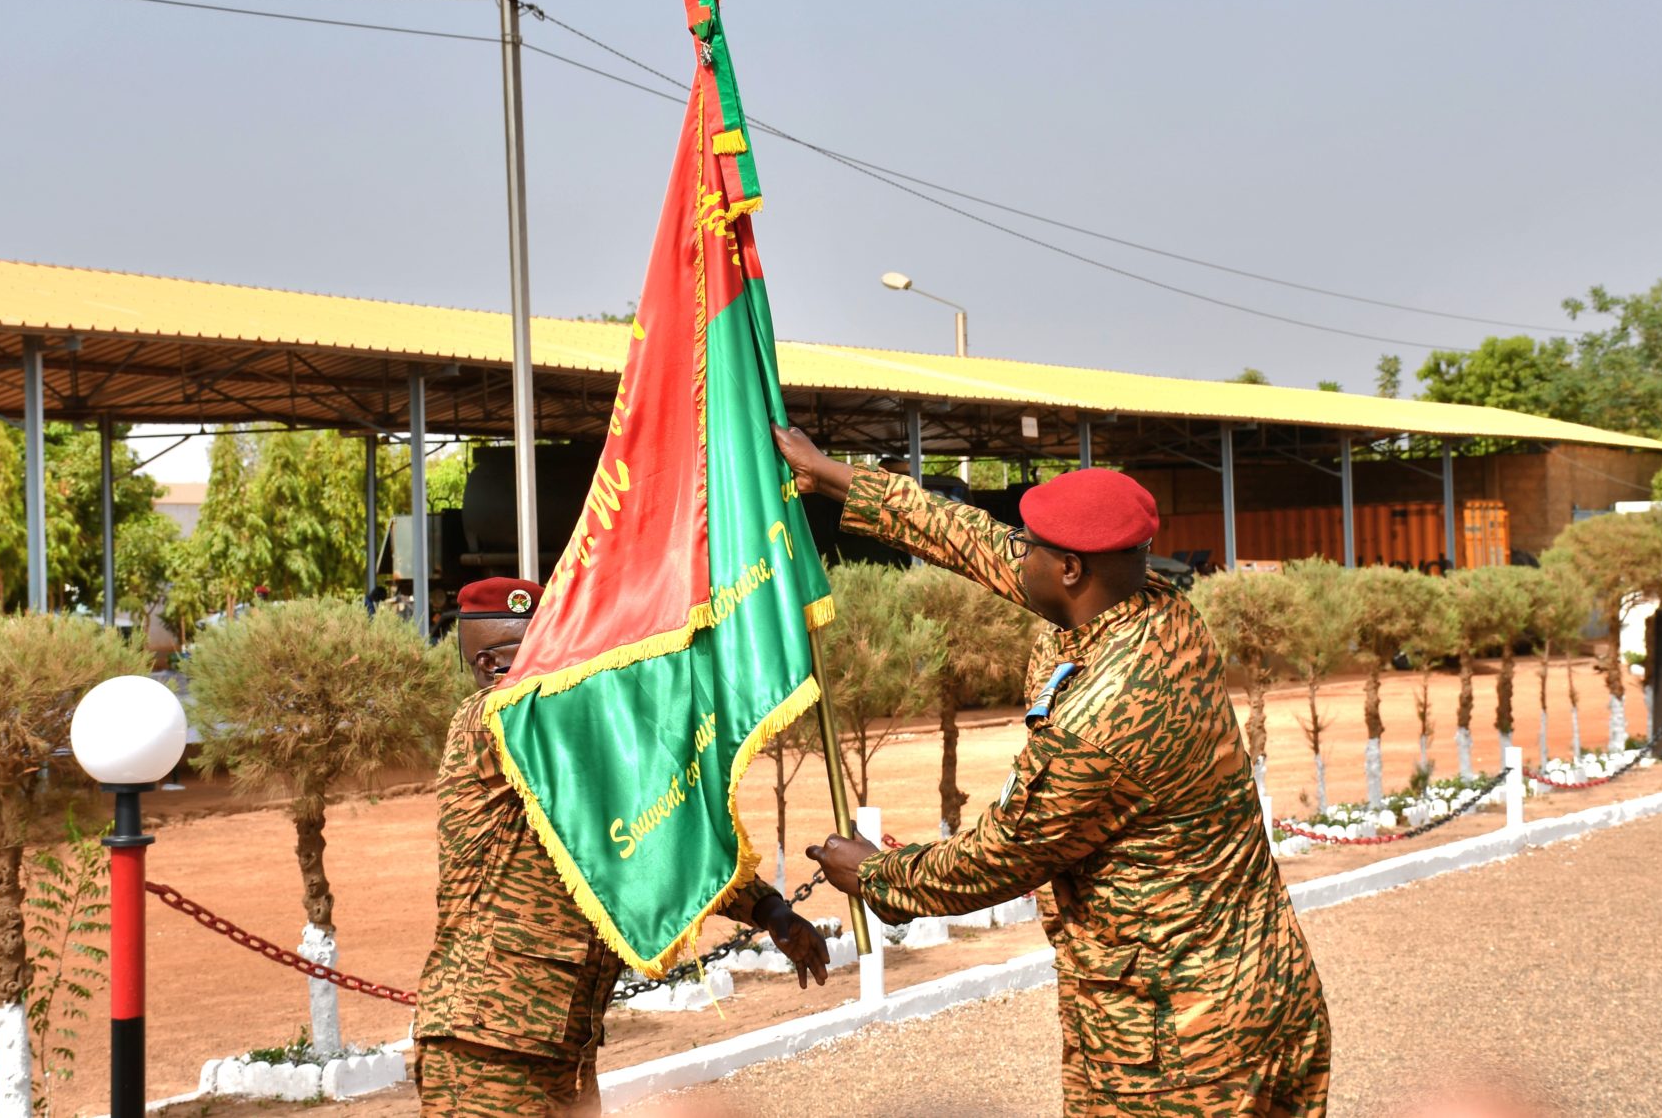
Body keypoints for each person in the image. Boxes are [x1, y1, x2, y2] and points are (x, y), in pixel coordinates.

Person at [779, 426, 1329, 1118]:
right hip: (1262, 990)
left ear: (1070, 569)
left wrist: (876, 875)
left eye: (1031, 544)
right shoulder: (1156, 606)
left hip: (1180, 1052)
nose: (1017, 550)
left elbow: (1005, 855)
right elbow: (974, 538)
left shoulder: (1106, 717)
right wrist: (831, 475)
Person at [415, 577, 830, 1118]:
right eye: (533, 657)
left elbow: (661, 832)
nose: (556, 668)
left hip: (566, 1047)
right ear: (487, 668)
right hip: (486, 1045)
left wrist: (768, 909)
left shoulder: (573, 751)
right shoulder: (488, 722)